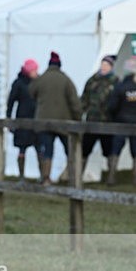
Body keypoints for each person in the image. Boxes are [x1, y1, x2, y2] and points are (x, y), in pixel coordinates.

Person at [29, 51, 82, 185]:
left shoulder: (41, 79)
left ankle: (46, 178)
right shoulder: (66, 80)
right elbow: (74, 102)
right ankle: (73, 178)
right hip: (62, 123)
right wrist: (78, 119)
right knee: (69, 150)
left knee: (47, 150)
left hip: (43, 122)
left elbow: (31, 92)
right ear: (59, 65)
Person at [107, 58, 136, 185]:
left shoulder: (119, 87)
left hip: (121, 122)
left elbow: (112, 107)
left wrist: (114, 118)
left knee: (115, 150)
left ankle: (111, 177)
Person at [80, 55, 118, 178]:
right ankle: (78, 175)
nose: (104, 67)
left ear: (111, 67)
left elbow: (119, 101)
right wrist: (80, 112)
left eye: (106, 65)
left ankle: (110, 176)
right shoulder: (92, 80)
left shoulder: (115, 81)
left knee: (109, 151)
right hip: (91, 121)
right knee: (84, 150)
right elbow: (84, 99)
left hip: (107, 122)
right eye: (102, 64)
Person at [6, 58, 39, 179]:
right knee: (22, 149)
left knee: (40, 148)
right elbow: (11, 102)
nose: (36, 72)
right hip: (22, 120)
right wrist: (9, 119)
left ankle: (43, 177)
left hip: (37, 120)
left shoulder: (38, 82)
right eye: (34, 70)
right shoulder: (18, 83)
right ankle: (21, 176)